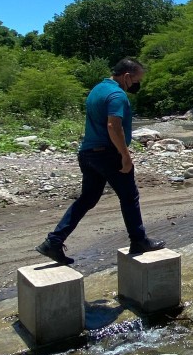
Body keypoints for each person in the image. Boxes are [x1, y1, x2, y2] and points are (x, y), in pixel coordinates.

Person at [35, 58, 165, 264]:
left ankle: (53, 241)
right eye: (137, 80)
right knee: (129, 197)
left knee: (87, 199)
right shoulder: (117, 95)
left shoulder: (97, 89)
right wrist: (125, 155)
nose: (137, 84)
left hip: (88, 154)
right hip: (108, 154)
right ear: (127, 77)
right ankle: (139, 241)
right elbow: (113, 126)